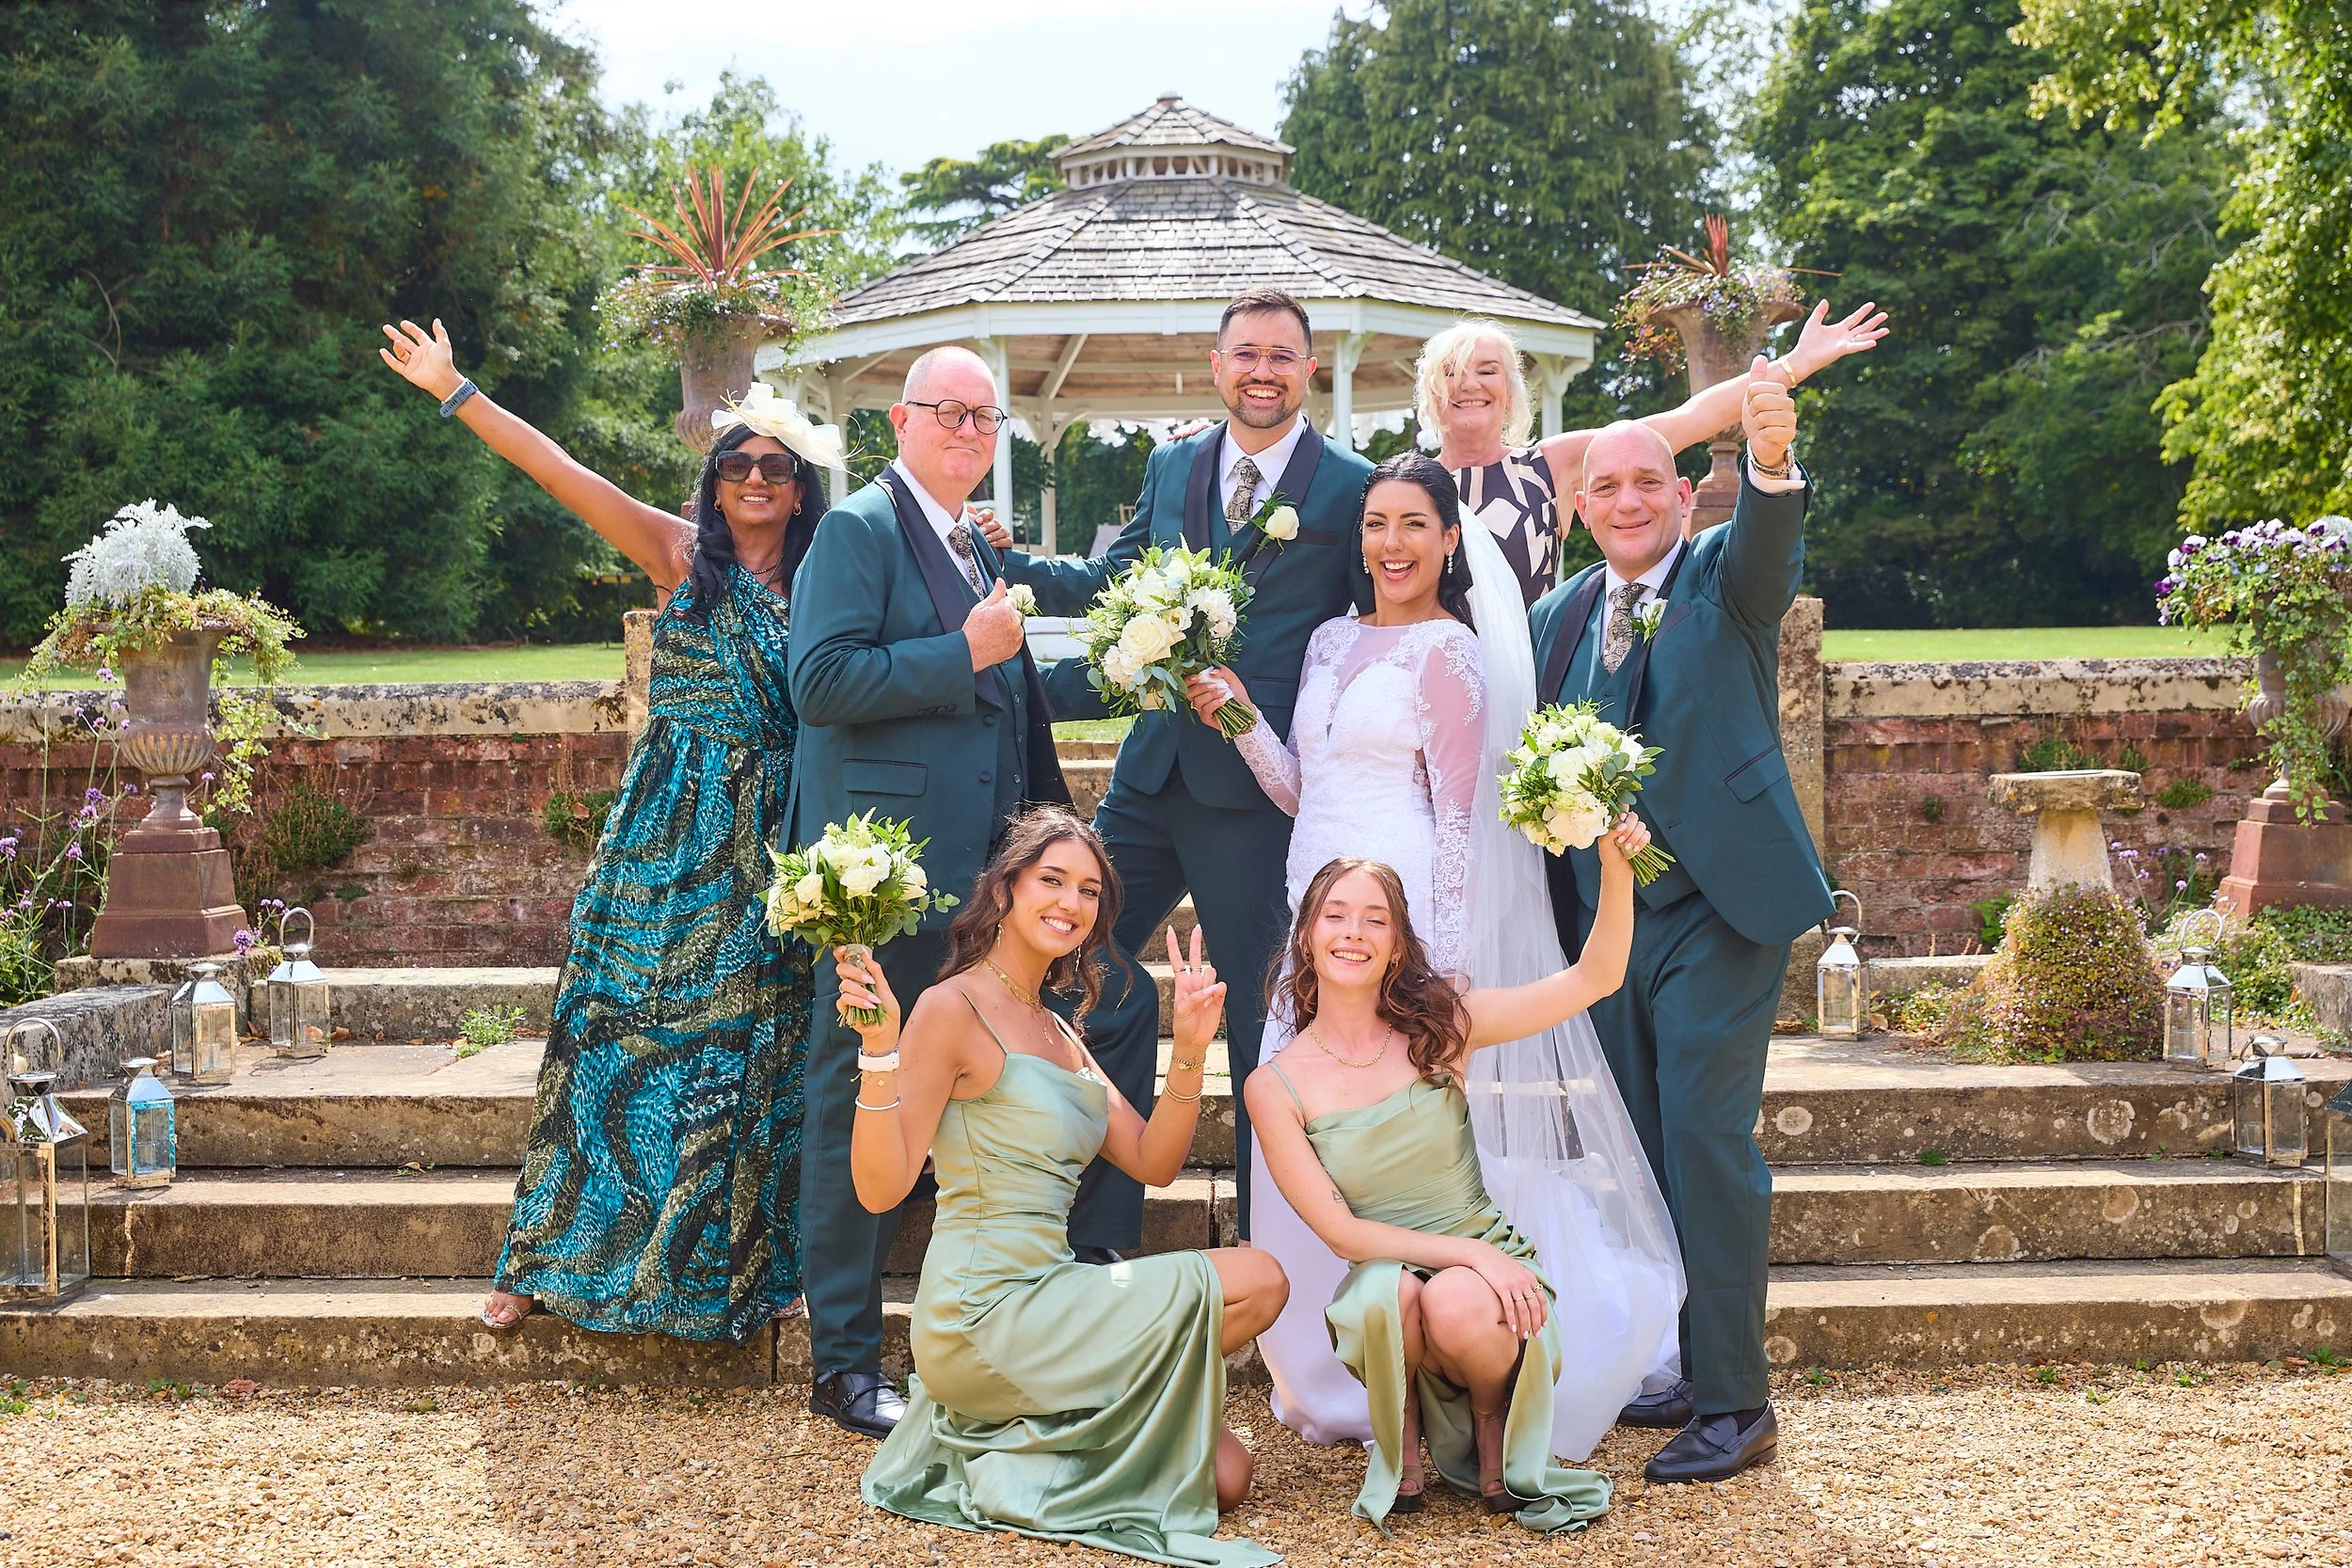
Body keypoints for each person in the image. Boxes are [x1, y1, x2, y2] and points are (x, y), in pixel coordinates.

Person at [1189, 452, 1681, 1472]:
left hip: (1402, 901)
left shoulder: (1450, 652)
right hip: (1314, 904)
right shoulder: (1329, 638)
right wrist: (1239, 716)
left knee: (1407, 1129)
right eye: (1376, 523)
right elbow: (1301, 785)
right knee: (1313, 1123)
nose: (1393, 543)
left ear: (1449, 539)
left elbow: (1457, 821)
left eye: (1415, 523)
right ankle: (1327, 1372)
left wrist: (1442, 970)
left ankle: (1460, 1353)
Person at [376, 319, 837, 1340]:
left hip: (765, 841)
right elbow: (559, 469)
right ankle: (541, 1258)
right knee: (602, 1023)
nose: (757, 478)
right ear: (715, 482)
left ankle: (754, 1265)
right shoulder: (675, 556)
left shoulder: (829, 584)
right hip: (658, 826)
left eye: (777, 465)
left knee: (746, 1048)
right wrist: (455, 389)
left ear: (801, 487)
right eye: (738, 463)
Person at [988, 288, 1375, 1256]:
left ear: (1309, 369)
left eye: (1282, 356)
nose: (1262, 371)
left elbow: (1375, 623)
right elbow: (1116, 576)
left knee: (1259, 1019)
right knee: (1083, 965)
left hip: (1259, 793)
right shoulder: (1171, 465)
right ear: (1216, 365)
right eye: (1245, 354)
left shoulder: (1349, 485)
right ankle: (1098, 1243)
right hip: (1151, 775)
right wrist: (1009, 565)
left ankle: (1267, 1252)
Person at [1527, 360, 1832, 1481]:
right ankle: (1689, 1363)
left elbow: (1771, 541)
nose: (1625, 502)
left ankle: (1739, 1404)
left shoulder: (1721, 578)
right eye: (1603, 486)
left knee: (1705, 1138)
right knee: (1645, 1151)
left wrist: (1767, 456)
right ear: (1579, 506)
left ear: (1681, 494)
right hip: (1610, 924)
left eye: (1646, 482)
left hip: (1724, 904)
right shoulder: (1557, 617)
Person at [838, 808, 1287, 1568]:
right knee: (1261, 1276)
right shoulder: (953, 1007)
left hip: (1055, 1290)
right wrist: (881, 1052)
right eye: (1052, 880)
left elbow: (1153, 1161)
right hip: (980, 1310)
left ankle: (1016, 1443)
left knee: (1224, 1473)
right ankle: (1029, 1416)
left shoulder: (1060, 1029)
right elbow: (881, 1189)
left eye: (1088, 890)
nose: (1070, 903)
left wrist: (1190, 1049)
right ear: (1006, 889)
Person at [787, 346, 1071, 1437]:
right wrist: (963, 648)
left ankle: (1007, 1329)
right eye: (948, 412)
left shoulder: (962, 541)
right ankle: (844, 1363)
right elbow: (819, 681)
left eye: (985, 418)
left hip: (984, 880)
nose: (968, 431)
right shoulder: (857, 528)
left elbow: (1002, 696)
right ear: (899, 421)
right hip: (885, 880)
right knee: (856, 1095)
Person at [1248, 836, 1649, 1534]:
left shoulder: (1442, 1026)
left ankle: (1495, 1420)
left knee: (1460, 1301)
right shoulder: (1274, 1084)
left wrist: (1616, 869)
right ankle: (1399, 1431)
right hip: (1386, 1274)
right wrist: (1468, 1256)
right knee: (1394, 1289)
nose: (1354, 932)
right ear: (1307, 937)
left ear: (1398, 946)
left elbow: (1596, 977)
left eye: (1376, 918)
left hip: (1483, 1260)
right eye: (1336, 915)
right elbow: (1341, 1231)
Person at [1420, 302, 1887, 606]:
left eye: (1487, 370)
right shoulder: (1409, 486)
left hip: (1524, 689)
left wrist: (1794, 364)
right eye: (1453, 372)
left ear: (1509, 392)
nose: (1469, 384)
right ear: (1432, 392)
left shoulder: (1548, 469)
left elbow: (1687, 419)